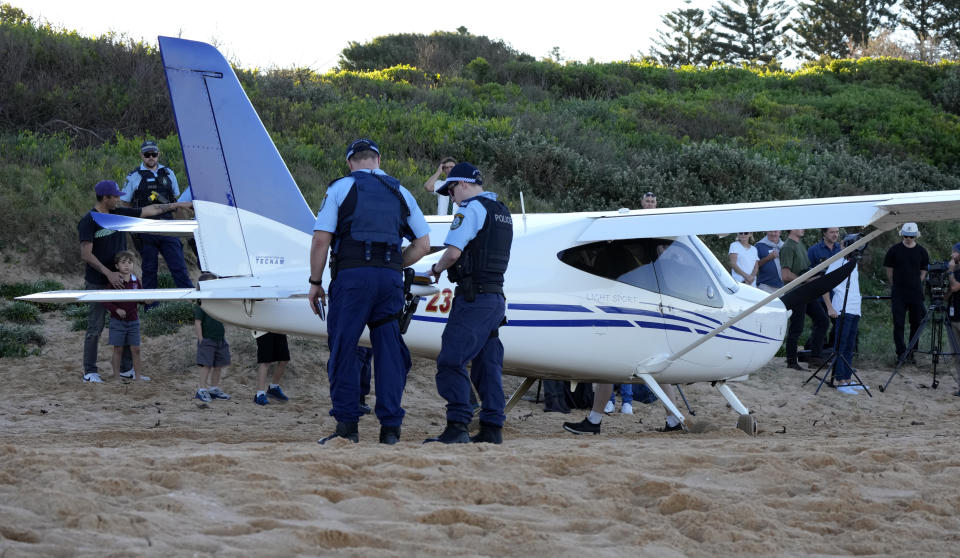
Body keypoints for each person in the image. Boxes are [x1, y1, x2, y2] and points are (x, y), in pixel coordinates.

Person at [309, 138, 431, 445]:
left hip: (351, 279)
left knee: (344, 350)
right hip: (389, 281)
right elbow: (423, 245)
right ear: (378, 159)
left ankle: (347, 428)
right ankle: (390, 429)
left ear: (350, 163)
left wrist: (315, 282)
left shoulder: (341, 188)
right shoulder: (401, 192)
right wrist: (393, 264)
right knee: (389, 353)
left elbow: (321, 240)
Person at [425, 162, 513, 444]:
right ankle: (491, 428)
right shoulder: (502, 212)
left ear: (462, 185)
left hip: (473, 298)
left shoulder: (470, 209)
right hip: (495, 298)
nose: (452, 199)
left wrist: (436, 269)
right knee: (488, 365)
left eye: (451, 191)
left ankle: (458, 425)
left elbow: (452, 253)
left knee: (451, 360)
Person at [78, 179, 190, 383]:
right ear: (105, 198)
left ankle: (126, 369)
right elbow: (86, 254)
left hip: (124, 281)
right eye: (115, 197)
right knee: (95, 327)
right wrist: (108, 273)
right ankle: (89, 371)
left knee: (128, 320)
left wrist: (176, 205)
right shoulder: (89, 220)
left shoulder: (118, 214)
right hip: (98, 282)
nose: (119, 200)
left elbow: (149, 210)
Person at [121, 140, 193, 294]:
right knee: (149, 270)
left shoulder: (168, 173)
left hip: (168, 227)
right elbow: (125, 204)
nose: (151, 157)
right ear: (141, 155)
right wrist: (133, 228)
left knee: (179, 266)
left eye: (154, 154)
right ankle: (151, 307)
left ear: (158, 154)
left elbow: (176, 203)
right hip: (146, 229)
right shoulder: (133, 176)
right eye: (147, 154)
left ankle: (191, 302)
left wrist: (182, 228)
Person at [780, 229, 827, 370]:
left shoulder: (800, 244)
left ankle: (815, 358)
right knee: (797, 327)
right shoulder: (788, 247)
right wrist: (806, 279)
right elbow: (785, 275)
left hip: (806, 290)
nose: (803, 229)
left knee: (822, 320)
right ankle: (791, 361)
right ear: (791, 228)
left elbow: (804, 270)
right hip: (796, 292)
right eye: (799, 226)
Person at [884, 223, 929, 363]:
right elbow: (889, 270)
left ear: (916, 236)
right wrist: (895, 285)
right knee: (898, 323)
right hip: (899, 293)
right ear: (902, 235)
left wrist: (918, 282)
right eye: (906, 235)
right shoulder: (894, 250)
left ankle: (912, 352)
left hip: (915, 293)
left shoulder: (922, 251)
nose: (908, 238)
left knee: (916, 323)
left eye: (911, 236)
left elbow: (924, 269)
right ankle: (901, 353)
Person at [823, 235, 863, 394]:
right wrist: (829, 307)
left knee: (849, 346)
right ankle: (839, 379)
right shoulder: (836, 262)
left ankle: (847, 378)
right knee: (841, 345)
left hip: (855, 309)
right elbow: (825, 285)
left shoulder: (854, 263)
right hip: (842, 309)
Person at [101, 251, 148, 382]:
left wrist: (147, 300)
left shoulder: (135, 281)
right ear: (117, 266)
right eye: (123, 262)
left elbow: (140, 298)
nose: (127, 265)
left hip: (134, 321)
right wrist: (116, 309)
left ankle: (138, 377)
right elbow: (104, 300)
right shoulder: (114, 282)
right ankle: (116, 378)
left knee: (136, 349)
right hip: (117, 321)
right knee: (118, 350)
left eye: (130, 262)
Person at [194, 296, 231, 403]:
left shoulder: (218, 304)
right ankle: (202, 390)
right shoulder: (202, 304)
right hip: (207, 340)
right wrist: (201, 339)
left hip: (220, 339)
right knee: (205, 365)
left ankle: (214, 389)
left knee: (218, 365)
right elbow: (197, 322)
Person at [253, 332, 290, 405]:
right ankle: (260, 394)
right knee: (265, 361)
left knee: (284, 359)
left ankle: (273, 388)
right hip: (264, 328)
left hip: (278, 328)